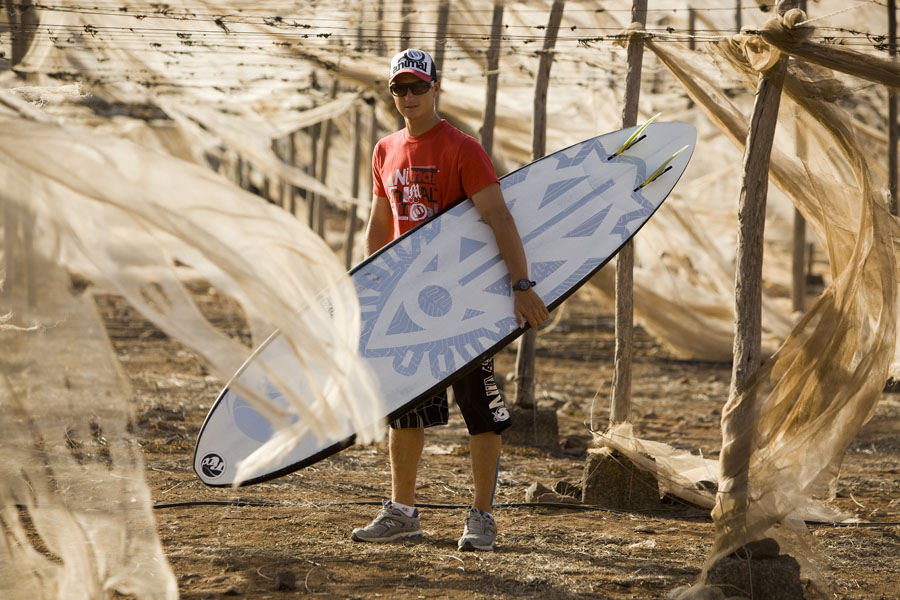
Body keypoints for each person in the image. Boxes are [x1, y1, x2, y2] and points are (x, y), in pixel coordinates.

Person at [350, 49, 549, 552]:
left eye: (418, 86)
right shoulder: (384, 150)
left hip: (464, 305)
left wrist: (521, 286)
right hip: (406, 305)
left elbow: (498, 217)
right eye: (400, 89)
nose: (409, 96)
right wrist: (372, 290)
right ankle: (403, 512)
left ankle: (482, 516)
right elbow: (379, 225)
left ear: (436, 88)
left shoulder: (463, 149)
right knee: (405, 411)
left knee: (479, 409)